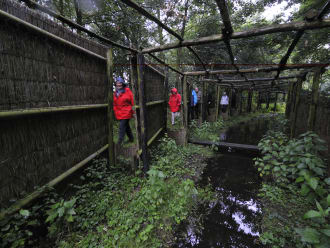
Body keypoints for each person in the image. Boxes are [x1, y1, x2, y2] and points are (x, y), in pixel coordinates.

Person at [113, 77, 134, 145]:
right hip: (119, 113)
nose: (118, 85)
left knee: (121, 127)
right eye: (117, 83)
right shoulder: (115, 93)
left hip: (127, 112)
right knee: (126, 126)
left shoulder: (127, 91)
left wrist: (133, 111)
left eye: (120, 83)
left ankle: (119, 142)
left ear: (123, 84)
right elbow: (114, 104)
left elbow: (132, 100)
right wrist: (115, 110)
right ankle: (131, 139)